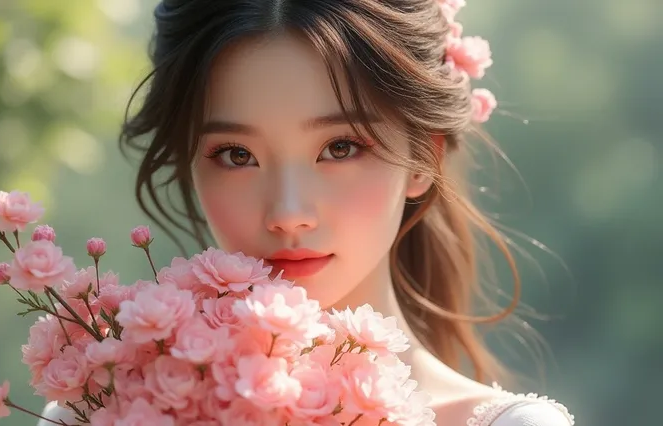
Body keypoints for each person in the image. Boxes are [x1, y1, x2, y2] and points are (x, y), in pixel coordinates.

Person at [40, 0, 575, 424]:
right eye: (236, 155)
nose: (288, 214)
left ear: (423, 156)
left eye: (340, 147)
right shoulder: (101, 413)